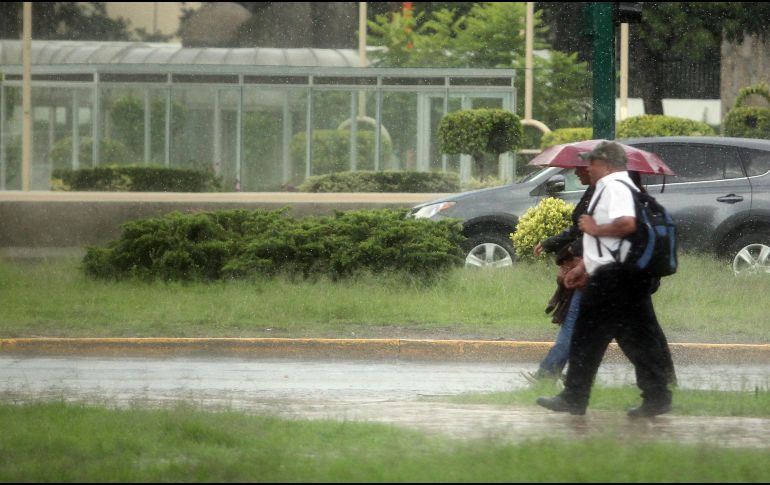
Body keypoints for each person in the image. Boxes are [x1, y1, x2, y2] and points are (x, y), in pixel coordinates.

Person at [535, 141, 675, 418]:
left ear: (608, 164)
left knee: (587, 338)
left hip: (614, 279)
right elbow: (615, 239)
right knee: (640, 339)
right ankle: (657, 395)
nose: (587, 167)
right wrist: (584, 267)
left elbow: (626, 225)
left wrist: (594, 228)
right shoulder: (622, 185)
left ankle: (575, 397)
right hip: (624, 275)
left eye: (593, 162)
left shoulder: (614, 186)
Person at [521, 166, 594, 383]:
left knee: (574, 325)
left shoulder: (606, 195)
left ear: (596, 168)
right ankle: (571, 380)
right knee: (617, 330)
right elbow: (579, 232)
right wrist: (550, 243)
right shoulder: (594, 193)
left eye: (582, 169)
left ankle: (551, 377)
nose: (577, 173)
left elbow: (599, 236)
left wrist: (573, 251)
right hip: (594, 271)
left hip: (597, 273)